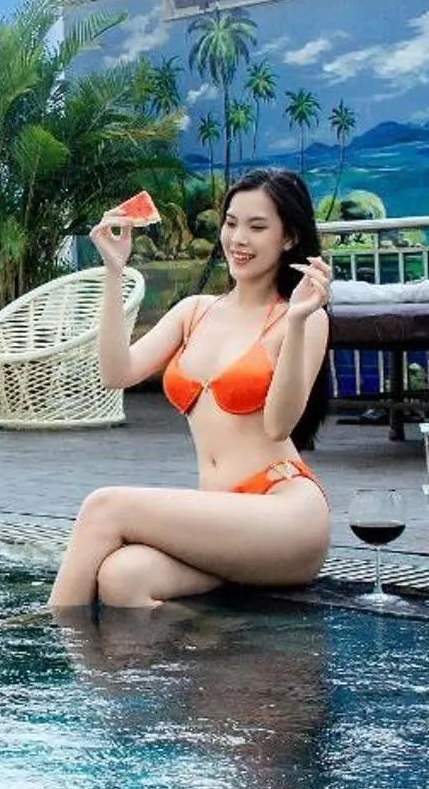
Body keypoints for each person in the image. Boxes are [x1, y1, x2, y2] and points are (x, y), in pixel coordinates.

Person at [48, 168, 334, 609]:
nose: (238, 239)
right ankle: (220, 642)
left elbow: (278, 427)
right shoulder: (195, 312)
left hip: (284, 512)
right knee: (123, 578)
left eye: (257, 227)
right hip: (222, 516)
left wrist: (297, 321)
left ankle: (49, 637)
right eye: (231, 222)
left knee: (105, 507)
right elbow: (116, 372)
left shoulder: (302, 319)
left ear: (290, 238)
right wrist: (112, 271)